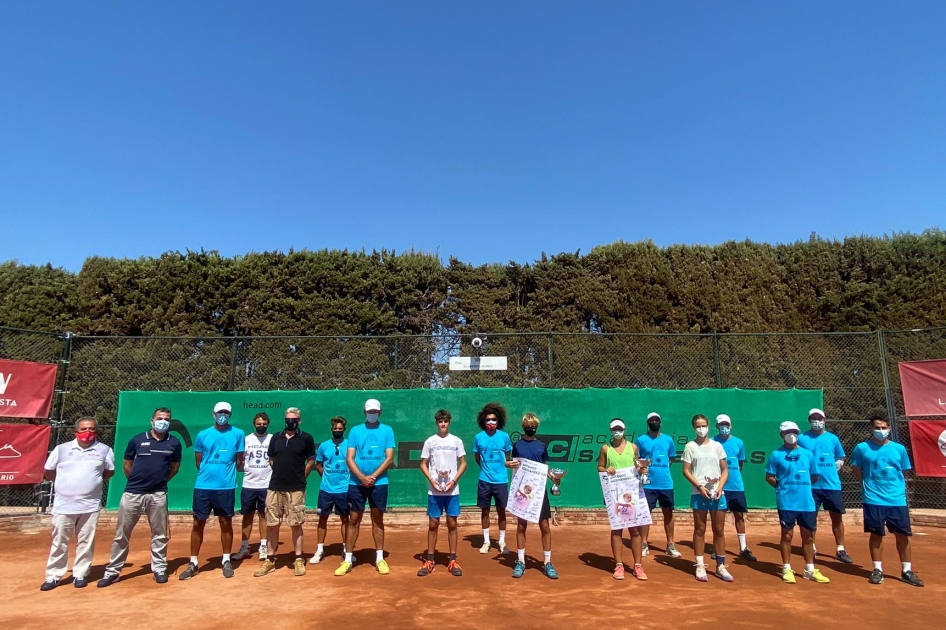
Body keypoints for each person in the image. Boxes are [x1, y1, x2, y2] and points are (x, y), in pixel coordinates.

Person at [97, 407, 182, 587]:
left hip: (158, 495)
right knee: (122, 534)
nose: (163, 421)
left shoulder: (174, 443)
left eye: (167, 419)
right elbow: (126, 465)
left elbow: (174, 468)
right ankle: (113, 571)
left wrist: (157, 483)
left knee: (160, 534)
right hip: (132, 493)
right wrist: (138, 482)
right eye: (160, 418)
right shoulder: (137, 440)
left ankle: (159, 568)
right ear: (152, 420)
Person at [40, 417, 116, 591]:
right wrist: (64, 484)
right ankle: (54, 575)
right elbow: (48, 471)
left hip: (90, 505)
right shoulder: (61, 450)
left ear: (96, 432)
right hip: (63, 505)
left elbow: (109, 472)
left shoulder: (104, 450)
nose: (87, 432)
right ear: (76, 431)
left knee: (86, 541)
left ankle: (80, 574)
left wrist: (91, 484)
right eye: (83, 429)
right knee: (59, 541)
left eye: (91, 429)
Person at [851, 413, 924, 587]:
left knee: (903, 535)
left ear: (889, 430)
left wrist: (894, 488)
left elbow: (904, 471)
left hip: (897, 500)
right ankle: (877, 570)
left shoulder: (899, 449)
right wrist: (868, 485)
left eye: (884, 428)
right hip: (873, 499)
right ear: (871, 429)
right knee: (876, 534)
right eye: (877, 427)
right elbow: (856, 469)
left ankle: (906, 570)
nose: (881, 431)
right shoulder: (862, 448)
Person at [179, 401, 245, 580]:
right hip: (203, 487)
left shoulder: (238, 434)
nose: (222, 415)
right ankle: (193, 562)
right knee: (197, 524)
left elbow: (239, 461)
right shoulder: (202, 435)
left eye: (225, 413)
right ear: (213, 414)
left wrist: (225, 475)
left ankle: (225, 560)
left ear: (229, 415)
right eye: (219, 412)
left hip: (226, 488)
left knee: (226, 523)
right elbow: (198, 462)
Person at [335, 398, 396, 576]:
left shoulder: (387, 430)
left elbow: (389, 457)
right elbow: (349, 458)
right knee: (354, 519)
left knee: (378, 519)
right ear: (364, 412)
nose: (372, 414)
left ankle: (379, 558)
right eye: (369, 412)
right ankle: (347, 560)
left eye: (375, 412)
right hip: (356, 483)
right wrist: (362, 478)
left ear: (380, 412)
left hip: (380, 483)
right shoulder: (355, 431)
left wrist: (373, 477)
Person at [765, 421, 830, 584]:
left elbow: (814, 476)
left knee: (808, 537)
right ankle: (787, 569)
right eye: (788, 432)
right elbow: (770, 477)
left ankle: (809, 569)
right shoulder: (776, 455)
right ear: (781, 435)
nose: (791, 435)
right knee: (787, 535)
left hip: (806, 503)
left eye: (794, 431)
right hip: (787, 503)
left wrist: (804, 488)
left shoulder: (808, 454)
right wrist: (782, 487)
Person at [254, 407, 316, 577]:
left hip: (296, 489)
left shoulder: (306, 438)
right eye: (288, 419)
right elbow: (271, 459)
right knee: (272, 525)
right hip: (275, 488)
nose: (290, 422)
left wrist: (300, 476)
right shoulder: (276, 437)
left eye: (294, 419)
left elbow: (311, 461)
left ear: (299, 420)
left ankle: (298, 559)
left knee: (296, 524)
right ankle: (270, 560)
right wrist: (281, 474)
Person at [798, 408, 853, 563]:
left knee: (836, 517)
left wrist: (839, 463)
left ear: (824, 420)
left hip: (832, 485)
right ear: (809, 421)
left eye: (819, 418)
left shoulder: (833, 439)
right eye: (813, 419)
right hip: (811, 486)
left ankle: (840, 549)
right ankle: (812, 548)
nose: (817, 421)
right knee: (810, 518)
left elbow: (840, 455)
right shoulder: (802, 438)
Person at [418, 409, 468, 577]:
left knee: (452, 524)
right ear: (436, 423)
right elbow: (423, 464)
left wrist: (453, 480)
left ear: (449, 422)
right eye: (440, 421)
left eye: (445, 421)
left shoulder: (457, 441)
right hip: (435, 491)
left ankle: (452, 559)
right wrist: (432, 481)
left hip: (452, 491)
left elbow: (463, 463)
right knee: (433, 524)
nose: (443, 424)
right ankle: (430, 560)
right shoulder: (430, 441)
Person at [682, 414, 732, 582]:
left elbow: (725, 470)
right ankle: (700, 565)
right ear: (693, 428)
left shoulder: (717, 446)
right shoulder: (690, 447)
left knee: (719, 530)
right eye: (698, 426)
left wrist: (720, 487)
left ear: (709, 426)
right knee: (700, 529)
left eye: (703, 425)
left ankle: (720, 566)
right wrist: (700, 486)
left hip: (718, 493)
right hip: (699, 493)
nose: (701, 429)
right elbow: (686, 470)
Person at [596, 418, 647, 581]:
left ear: (624, 429)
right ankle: (618, 565)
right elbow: (600, 467)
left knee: (634, 530)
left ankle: (638, 566)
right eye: (614, 429)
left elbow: (638, 466)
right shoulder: (605, 448)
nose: (617, 431)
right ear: (611, 431)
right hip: (614, 494)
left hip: (632, 494)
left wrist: (641, 468)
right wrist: (606, 469)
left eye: (620, 428)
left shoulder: (633, 447)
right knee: (617, 529)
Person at [510, 413, 558, 580]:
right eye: (528, 425)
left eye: (533, 425)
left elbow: (544, 467)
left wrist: (553, 477)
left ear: (536, 427)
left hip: (539, 491)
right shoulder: (517, 446)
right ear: (523, 427)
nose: (531, 428)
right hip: (523, 491)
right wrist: (508, 464)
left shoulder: (541, 446)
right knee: (521, 525)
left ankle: (547, 563)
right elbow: (515, 466)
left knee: (544, 526)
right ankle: (521, 561)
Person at [634, 412, 683, 559]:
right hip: (647, 484)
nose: (654, 422)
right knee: (645, 514)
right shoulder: (641, 440)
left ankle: (670, 545)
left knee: (668, 513)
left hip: (665, 484)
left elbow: (671, 459)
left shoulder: (668, 440)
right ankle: (643, 543)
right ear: (647, 423)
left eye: (656, 420)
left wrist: (661, 470)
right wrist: (644, 470)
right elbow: (636, 460)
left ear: (660, 422)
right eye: (651, 420)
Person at [472, 402, 515, 555]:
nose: (491, 422)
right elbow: (477, 458)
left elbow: (507, 459)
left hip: (501, 481)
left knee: (501, 511)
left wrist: (500, 468)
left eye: (494, 419)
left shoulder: (504, 437)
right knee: (485, 511)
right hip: (484, 480)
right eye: (488, 420)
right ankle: (486, 542)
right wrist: (486, 470)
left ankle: (502, 542)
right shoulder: (478, 437)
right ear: (483, 421)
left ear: (498, 421)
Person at [712, 414, 756, 561]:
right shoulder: (712, 442)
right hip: (719, 487)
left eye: (726, 424)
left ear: (730, 425)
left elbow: (740, 464)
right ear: (717, 426)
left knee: (739, 516)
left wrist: (732, 477)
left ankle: (743, 548)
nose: (724, 427)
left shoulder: (739, 442)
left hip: (736, 486)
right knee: (718, 518)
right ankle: (716, 547)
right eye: (721, 425)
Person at [311, 415, 351, 565]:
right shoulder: (324, 446)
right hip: (326, 490)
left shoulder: (349, 445)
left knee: (345, 519)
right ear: (331, 429)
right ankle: (320, 549)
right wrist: (326, 478)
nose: (337, 430)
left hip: (344, 490)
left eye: (340, 428)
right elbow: (318, 464)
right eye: (335, 428)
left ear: (344, 430)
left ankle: (347, 549)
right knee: (322, 519)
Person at [233, 413, 273, 562]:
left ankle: (263, 545)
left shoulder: (272, 439)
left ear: (268, 424)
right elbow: (241, 459)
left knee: (264, 515)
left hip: (266, 485)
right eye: (258, 424)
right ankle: (245, 546)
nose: (261, 426)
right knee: (247, 515)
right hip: (249, 484)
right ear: (254, 424)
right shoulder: (247, 440)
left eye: (264, 424)